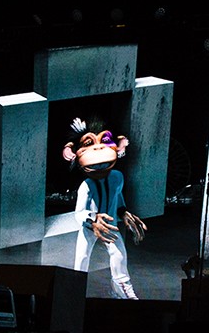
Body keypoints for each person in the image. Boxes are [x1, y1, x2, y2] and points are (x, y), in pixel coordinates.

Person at [61, 117, 147, 300]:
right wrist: (93, 221)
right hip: (90, 227)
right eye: (90, 142)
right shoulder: (86, 185)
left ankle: (122, 290)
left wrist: (123, 212)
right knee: (82, 259)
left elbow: (118, 195)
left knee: (118, 254)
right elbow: (79, 213)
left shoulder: (117, 177)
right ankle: (74, 295)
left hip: (109, 226)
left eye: (104, 140)